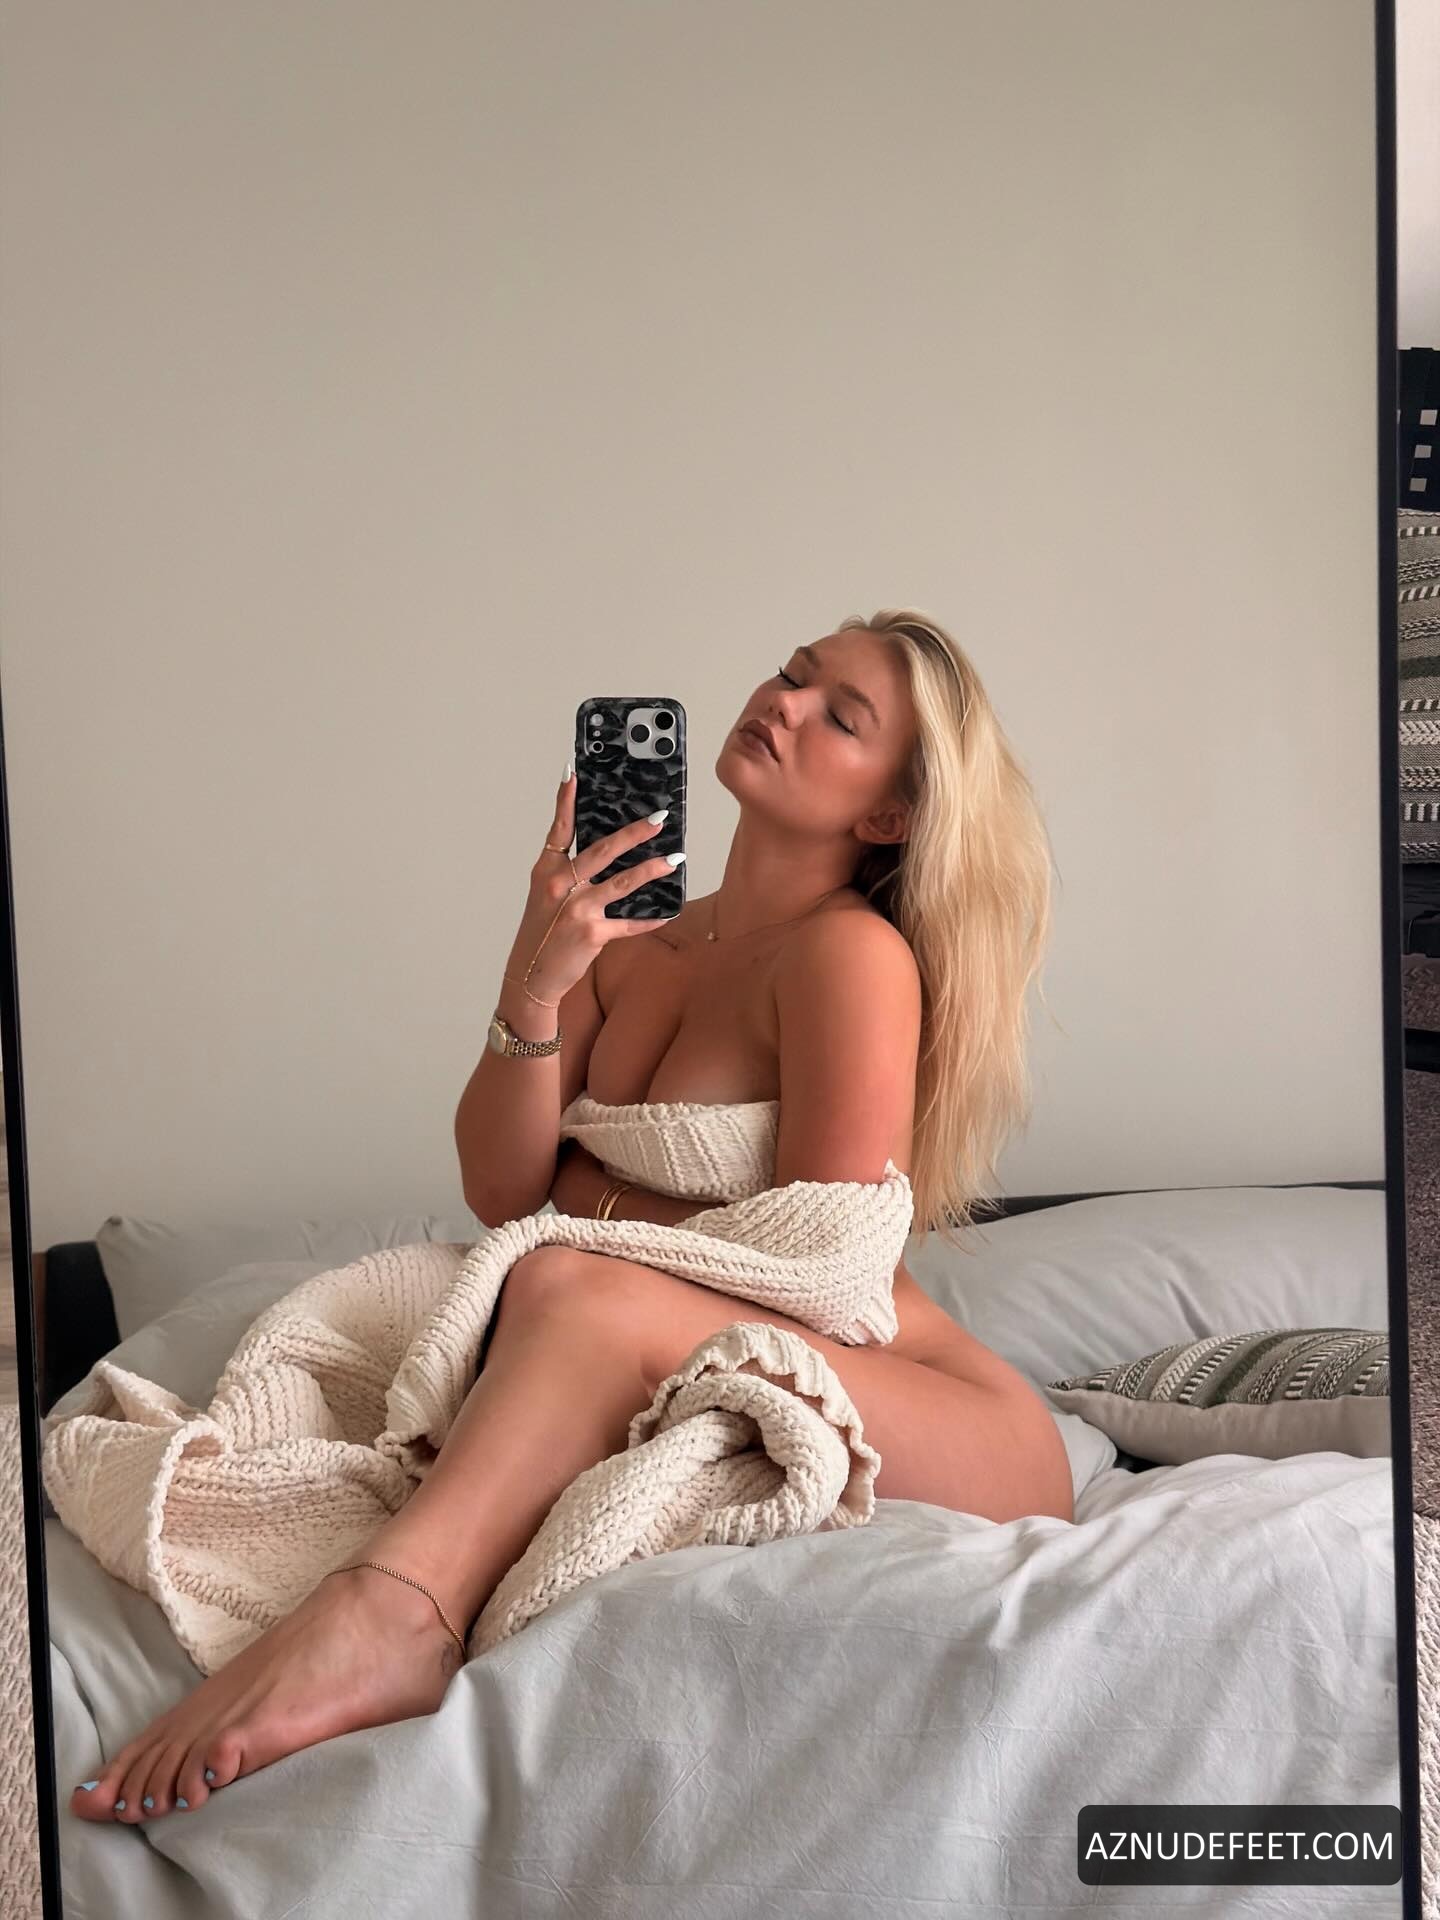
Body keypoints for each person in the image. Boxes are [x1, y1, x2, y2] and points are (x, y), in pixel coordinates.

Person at [72, 608, 1074, 1827]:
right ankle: (383, 1604)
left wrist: (585, 1222)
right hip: (678, 1329)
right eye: (793, 673)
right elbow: (503, 1191)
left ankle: (394, 1614)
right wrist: (536, 978)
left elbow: (818, 1266)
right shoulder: (636, 940)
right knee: (531, 1281)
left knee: (560, 1285)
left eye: (839, 717)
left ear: (889, 816)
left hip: (936, 1415)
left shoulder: (850, 958)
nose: (784, 702)